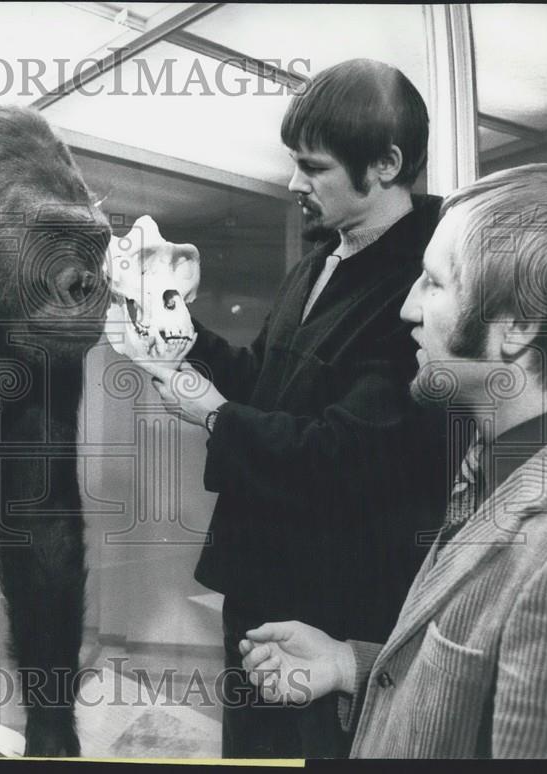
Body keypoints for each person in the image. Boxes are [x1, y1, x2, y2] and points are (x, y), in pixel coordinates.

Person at [141, 59, 449, 757]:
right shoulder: (318, 262)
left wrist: (214, 414)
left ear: (387, 163)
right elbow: (261, 381)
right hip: (259, 583)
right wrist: (172, 324)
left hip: (335, 608)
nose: (292, 184)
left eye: (313, 168)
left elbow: (347, 453)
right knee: (253, 755)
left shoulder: (423, 291)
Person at [239, 163, 547, 758]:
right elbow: (467, 698)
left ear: (516, 325)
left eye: (434, 283)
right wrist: (349, 663)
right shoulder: (487, 466)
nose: (407, 308)